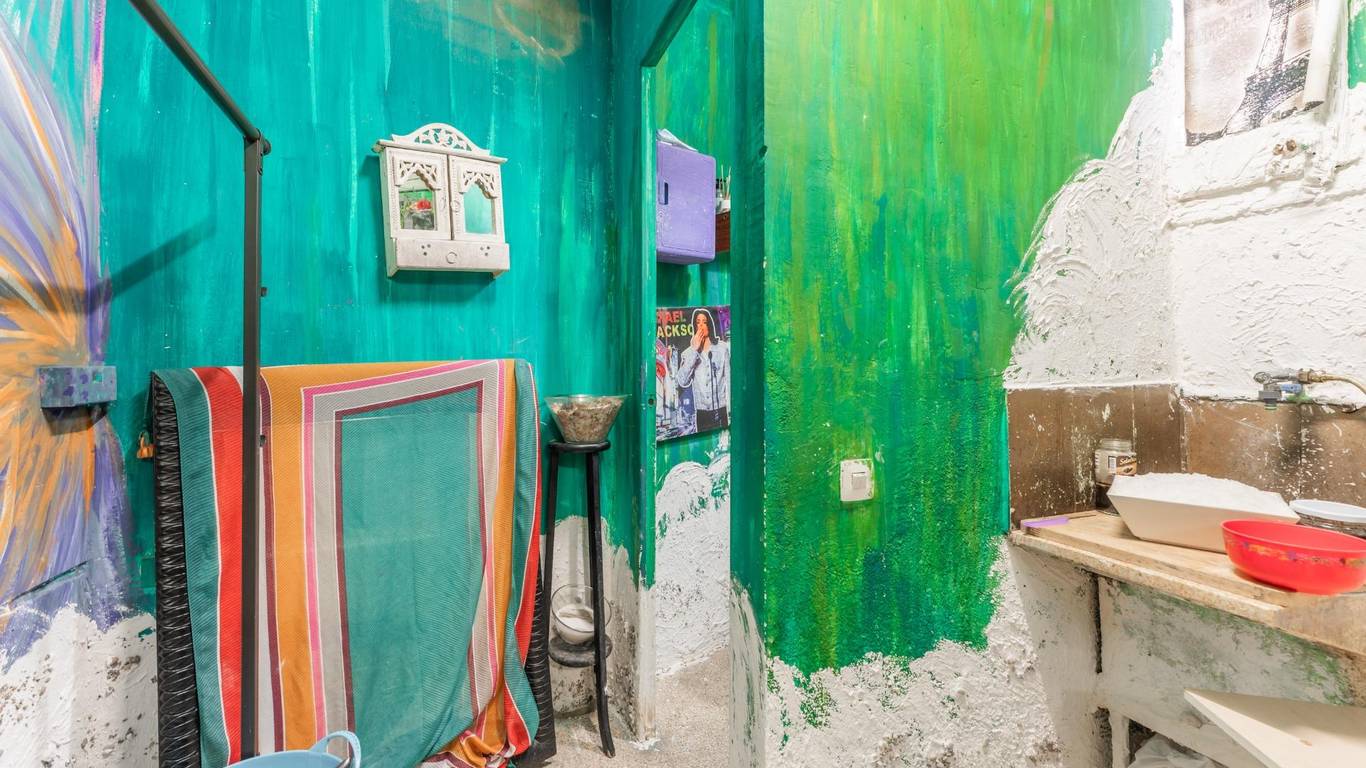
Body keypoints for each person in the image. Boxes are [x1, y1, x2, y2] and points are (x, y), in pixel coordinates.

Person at [676, 308, 730, 432]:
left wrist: (732, 410)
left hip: (721, 410)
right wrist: (694, 350)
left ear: (709, 325)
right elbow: (682, 381)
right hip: (702, 414)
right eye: (698, 322)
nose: (701, 325)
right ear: (694, 326)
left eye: (704, 322)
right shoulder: (688, 353)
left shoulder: (722, 349)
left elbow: (729, 378)